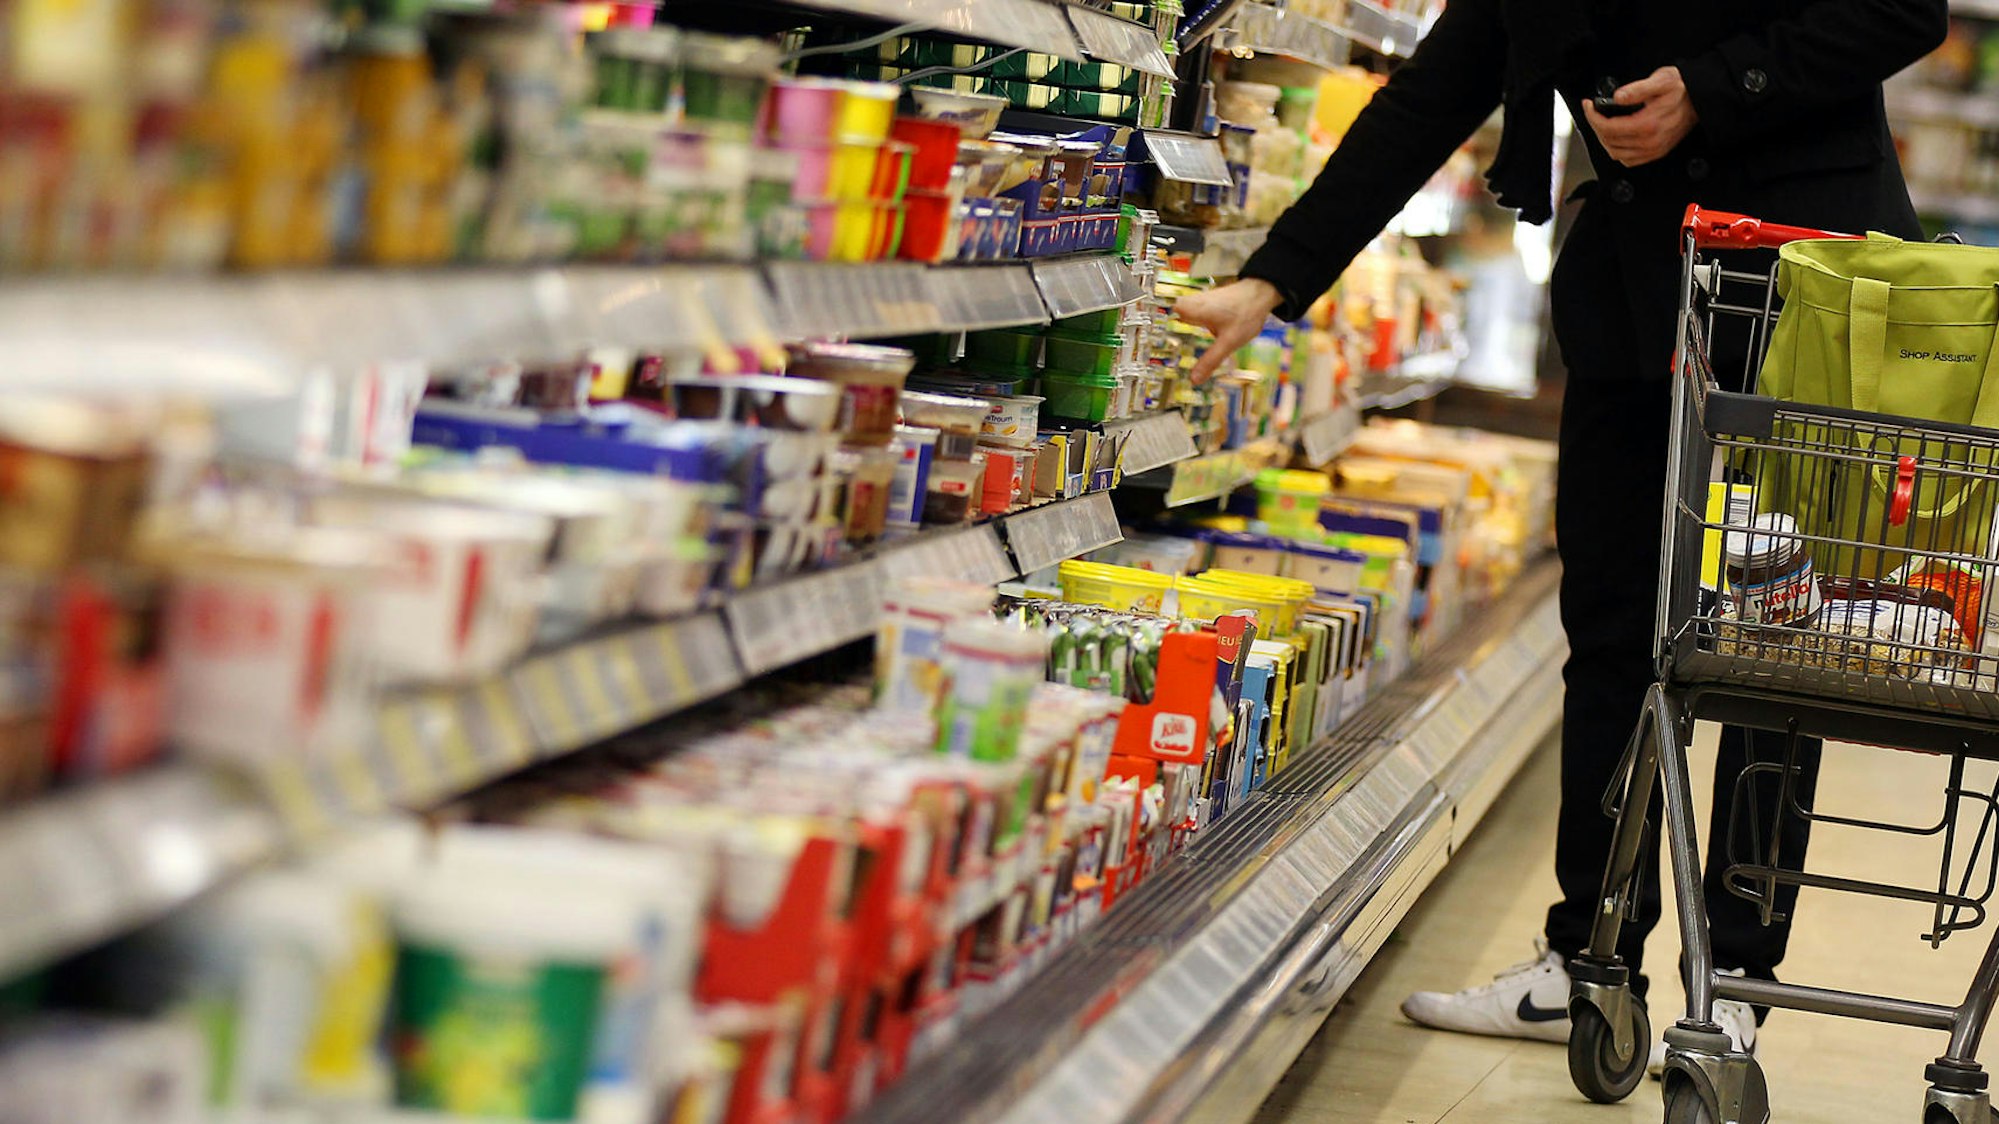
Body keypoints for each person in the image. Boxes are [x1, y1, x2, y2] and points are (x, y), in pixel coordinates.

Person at [1175, 0, 1949, 1073]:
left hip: (1802, 292)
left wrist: (1712, 87)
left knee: (1777, 647)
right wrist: (1274, 277)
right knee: (1611, 629)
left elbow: (1901, 10)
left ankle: (1733, 981)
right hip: (1636, 294)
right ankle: (1586, 956)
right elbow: (1434, 91)